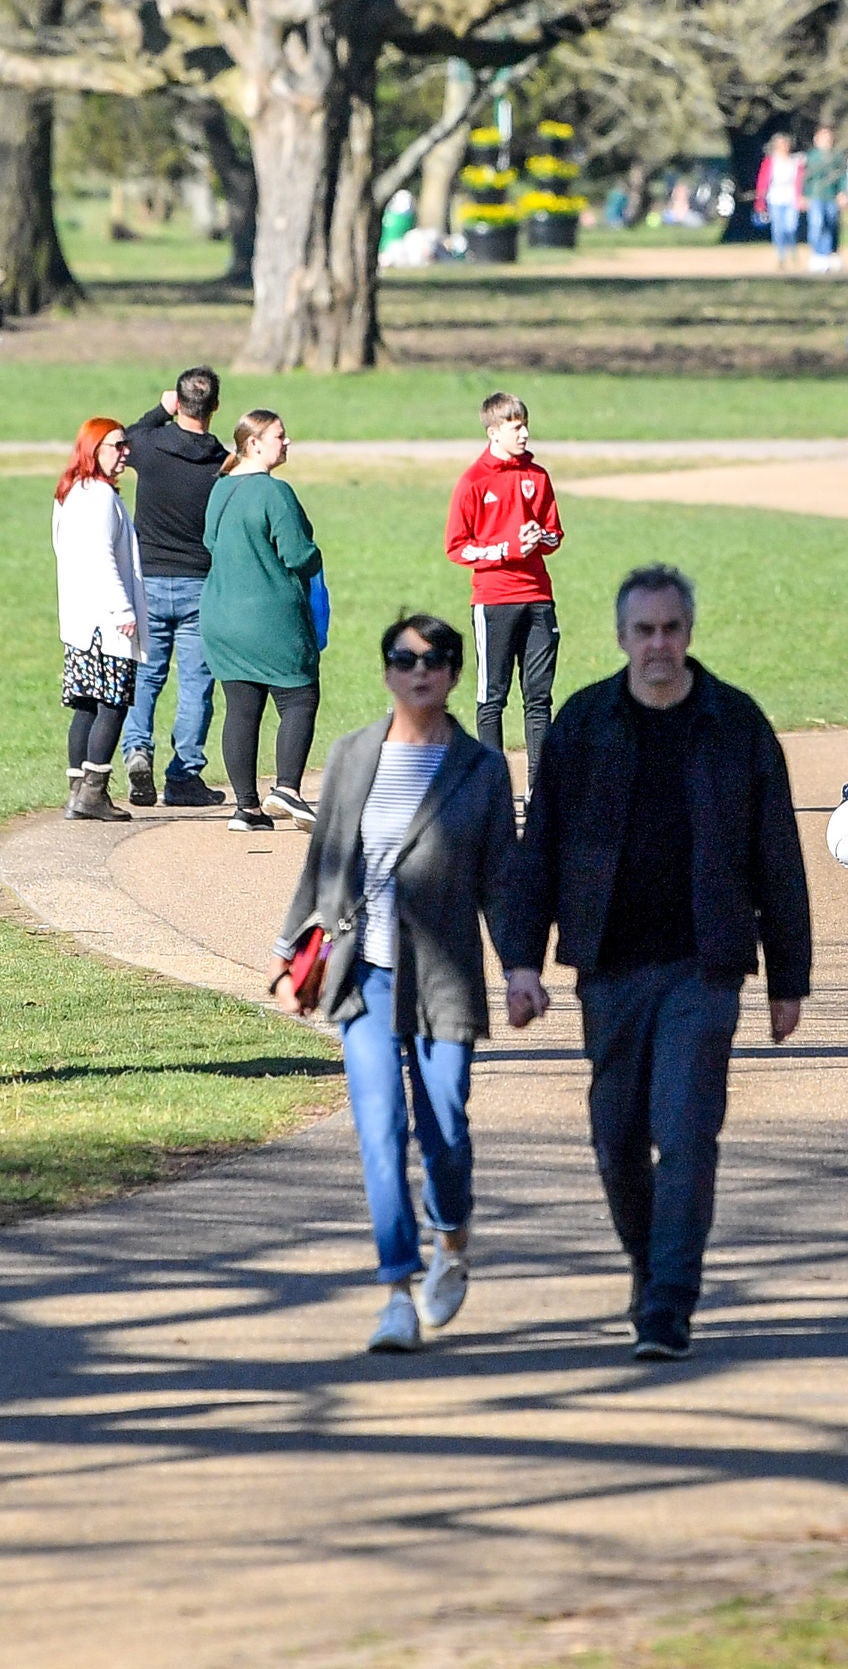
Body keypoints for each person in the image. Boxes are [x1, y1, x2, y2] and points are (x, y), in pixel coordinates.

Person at [496, 565, 812, 1363]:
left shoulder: (735, 723)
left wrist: (788, 980)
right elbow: (539, 855)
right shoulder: (582, 722)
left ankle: (669, 1303)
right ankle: (648, 1268)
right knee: (616, 1139)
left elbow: (778, 854)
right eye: (644, 631)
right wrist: (521, 963)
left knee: (685, 1133)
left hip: (703, 969)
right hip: (607, 967)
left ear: (689, 632)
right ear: (620, 637)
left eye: (671, 628)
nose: (659, 645)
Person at [280, 612, 517, 1353]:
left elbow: (501, 881)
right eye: (405, 658)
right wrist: (292, 955)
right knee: (381, 1130)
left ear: (451, 673)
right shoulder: (352, 754)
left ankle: (451, 1239)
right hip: (365, 973)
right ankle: (394, 1292)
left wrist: (520, 968)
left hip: (443, 972)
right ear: (387, 669)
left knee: (444, 1126)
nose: (421, 670)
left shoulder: (480, 768)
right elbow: (322, 861)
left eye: (437, 659)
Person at [201, 409, 324, 831]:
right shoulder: (276, 492)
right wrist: (316, 557)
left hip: (219, 615)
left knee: (241, 708)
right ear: (254, 444)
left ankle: (246, 808)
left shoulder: (220, 490)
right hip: (269, 615)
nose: (286, 443)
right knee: (299, 697)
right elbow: (298, 555)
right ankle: (287, 789)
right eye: (279, 436)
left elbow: (209, 542)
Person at [119, 370, 228, 808]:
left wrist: (159, 410)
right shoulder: (222, 460)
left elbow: (125, 438)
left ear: (178, 404)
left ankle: (137, 750)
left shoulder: (149, 446)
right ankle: (184, 776)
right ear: (215, 407)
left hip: (147, 578)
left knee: (145, 674)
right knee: (197, 685)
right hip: (200, 582)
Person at [445, 391, 563, 771]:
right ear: (493, 432)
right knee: (492, 696)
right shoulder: (473, 482)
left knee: (539, 698)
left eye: (525, 425)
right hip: (494, 600)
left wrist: (538, 538)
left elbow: (554, 534)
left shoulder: (537, 476)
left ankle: (538, 786)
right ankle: (492, 784)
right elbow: (457, 547)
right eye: (516, 427)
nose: (525, 434)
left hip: (538, 598)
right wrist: (507, 548)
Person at [52, 417, 146, 821]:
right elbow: (102, 558)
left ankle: (79, 792)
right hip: (104, 624)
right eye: (117, 446)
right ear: (94, 450)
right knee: (111, 704)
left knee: (86, 706)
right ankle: (92, 794)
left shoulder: (71, 492)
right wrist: (123, 610)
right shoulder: (100, 498)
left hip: (81, 619)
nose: (125, 453)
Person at [759, 133, 804, 269]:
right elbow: (763, 181)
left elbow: (800, 180)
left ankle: (792, 251)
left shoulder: (795, 161)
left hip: (790, 198)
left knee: (791, 227)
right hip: (775, 198)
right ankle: (780, 256)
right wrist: (761, 200)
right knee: (778, 229)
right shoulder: (770, 162)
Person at [804, 123, 846, 269]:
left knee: (830, 225)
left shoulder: (837, 157)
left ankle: (827, 254)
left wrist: (842, 192)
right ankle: (817, 254)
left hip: (832, 197)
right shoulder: (811, 157)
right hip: (816, 196)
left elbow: (842, 177)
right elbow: (806, 178)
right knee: (817, 225)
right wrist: (804, 195)